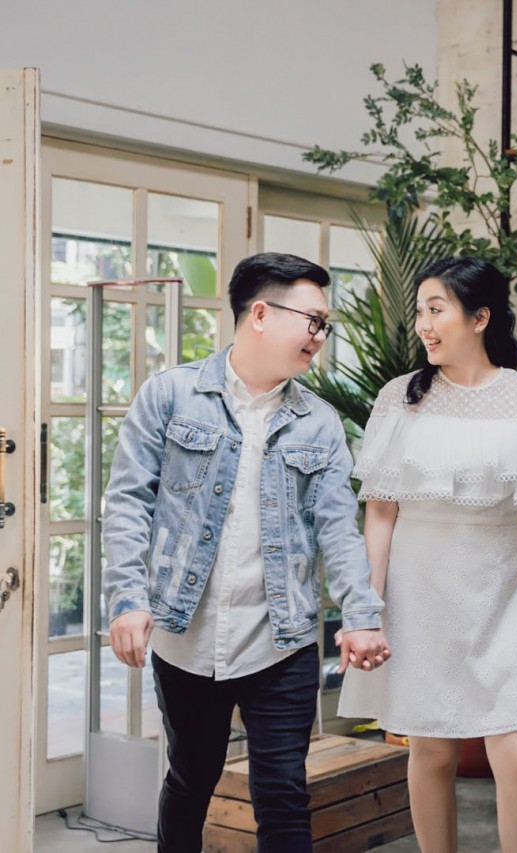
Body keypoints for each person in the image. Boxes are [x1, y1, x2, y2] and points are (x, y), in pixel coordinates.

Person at [102, 252, 392, 853]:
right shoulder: (171, 395)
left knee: (283, 793)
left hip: (280, 641)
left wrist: (361, 615)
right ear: (260, 313)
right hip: (186, 638)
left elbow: (338, 528)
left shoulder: (319, 423)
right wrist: (127, 599)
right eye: (313, 321)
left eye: (325, 324)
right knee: (191, 779)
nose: (320, 336)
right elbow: (128, 502)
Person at [338, 257, 517, 853]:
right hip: (419, 589)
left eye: (436, 310)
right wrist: (366, 608)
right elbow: (380, 512)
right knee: (432, 749)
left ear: (480, 317)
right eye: (420, 311)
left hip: (503, 587)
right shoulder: (398, 398)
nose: (424, 325)